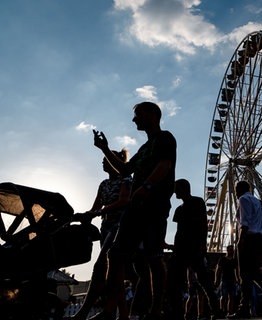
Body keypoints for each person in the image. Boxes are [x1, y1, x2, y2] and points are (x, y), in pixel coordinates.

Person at [90, 101, 176, 320]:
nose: (134, 119)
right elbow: (124, 169)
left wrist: (147, 186)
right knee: (115, 254)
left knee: (154, 257)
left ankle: (156, 310)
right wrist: (104, 149)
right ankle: (109, 310)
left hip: (155, 205)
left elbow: (164, 165)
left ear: (152, 114)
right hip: (136, 207)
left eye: (138, 115)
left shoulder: (166, 138)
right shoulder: (144, 148)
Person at [71, 149, 132, 320]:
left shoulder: (126, 180)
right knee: (115, 272)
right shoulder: (103, 184)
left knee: (100, 267)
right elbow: (95, 207)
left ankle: (85, 312)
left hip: (121, 225)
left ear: (115, 160)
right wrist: (85, 216)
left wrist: (99, 211)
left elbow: (124, 201)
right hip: (106, 227)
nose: (103, 162)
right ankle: (123, 315)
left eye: (106, 159)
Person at [166, 178, 221, 320]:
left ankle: (215, 310)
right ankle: (214, 310)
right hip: (183, 249)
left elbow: (203, 224)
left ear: (183, 188)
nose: (174, 192)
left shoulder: (197, 203)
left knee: (200, 282)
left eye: (176, 189)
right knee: (199, 282)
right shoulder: (181, 208)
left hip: (192, 248)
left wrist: (202, 245)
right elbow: (179, 231)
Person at [227, 180, 262, 319]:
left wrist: (240, 241)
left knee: (244, 275)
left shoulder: (244, 199)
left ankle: (244, 308)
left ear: (240, 188)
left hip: (248, 240)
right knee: (254, 274)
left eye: (236, 188)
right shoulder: (258, 202)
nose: (235, 191)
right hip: (259, 240)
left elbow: (244, 222)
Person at [214, 245, 238, 317]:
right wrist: (216, 280)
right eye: (230, 250)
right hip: (224, 279)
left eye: (232, 250)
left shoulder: (234, 260)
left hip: (232, 280)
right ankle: (222, 310)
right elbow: (218, 270)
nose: (232, 251)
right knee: (223, 296)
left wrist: (238, 279)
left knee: (231, 297)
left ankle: (229, 312)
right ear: (227, 250)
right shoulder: (222, 259)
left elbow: (236, 270)